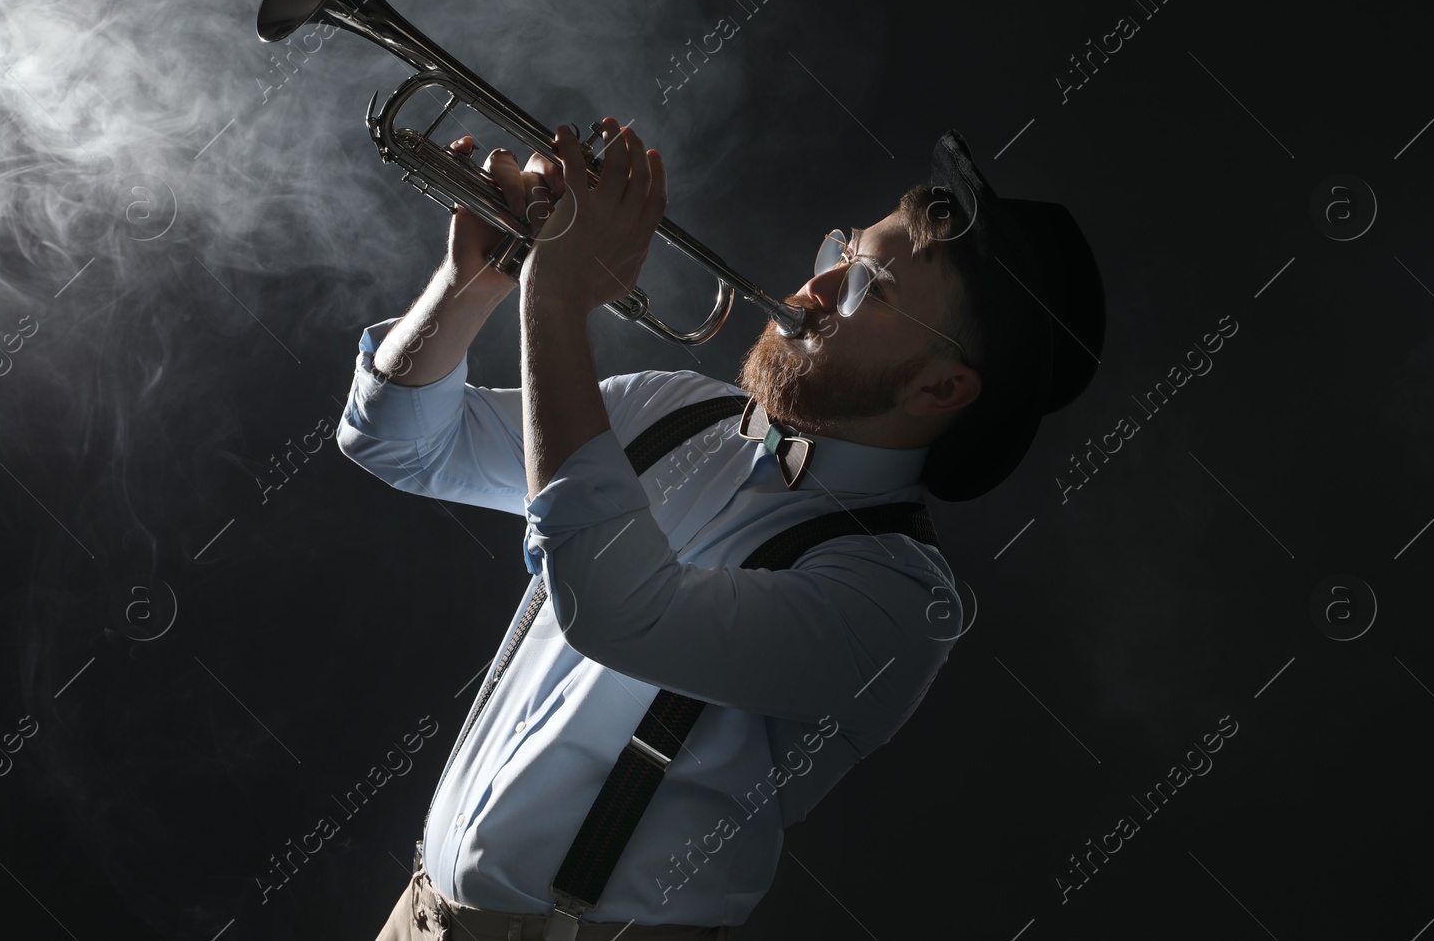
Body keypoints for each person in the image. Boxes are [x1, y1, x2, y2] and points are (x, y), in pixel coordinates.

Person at [342, 118, 1105, 940]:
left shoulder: (900, 601)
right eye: (839, 252)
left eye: (868, 288)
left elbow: (617, 607)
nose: (815, 288)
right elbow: (396, 441)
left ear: (939, 388)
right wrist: (474, 282)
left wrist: (555, 297)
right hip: (415, 916)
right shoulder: (680, 408)